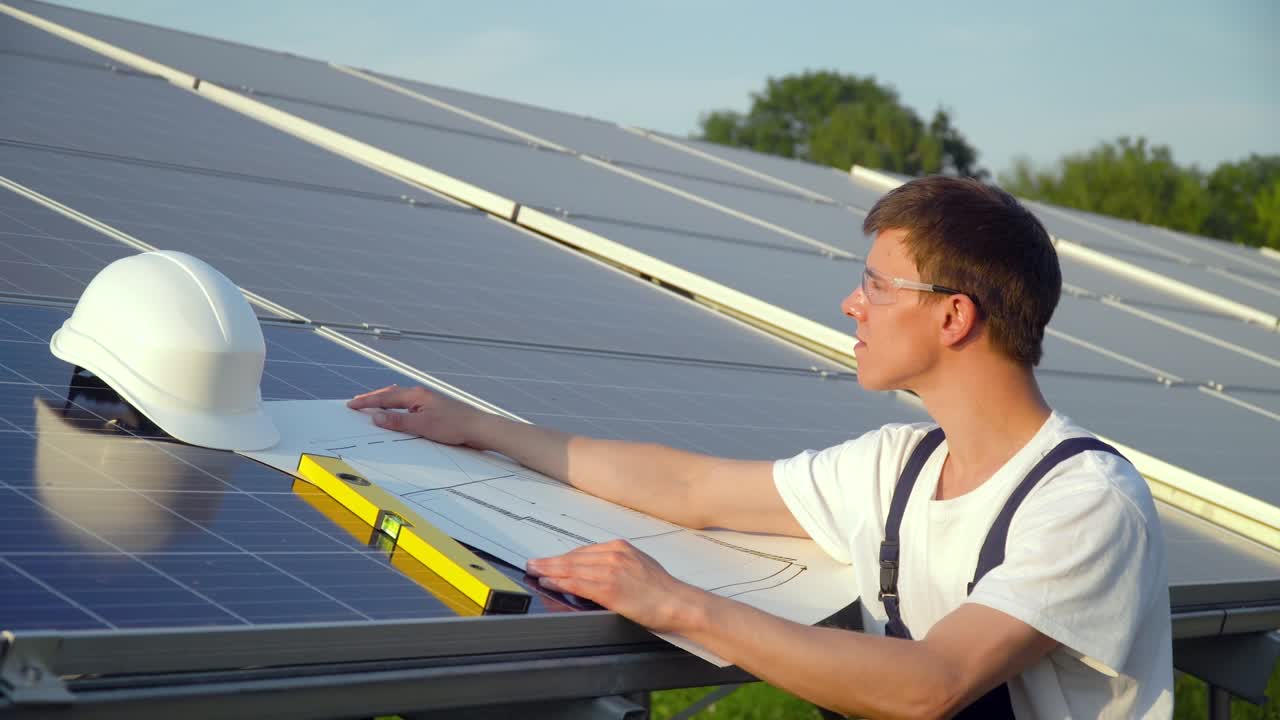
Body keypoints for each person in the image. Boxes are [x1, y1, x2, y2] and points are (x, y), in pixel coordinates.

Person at [349, 177, 1172, 718]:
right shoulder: (899, 466)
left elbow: (935, 685)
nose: (853, 304)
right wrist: (483, 429)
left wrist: (678, 603)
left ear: (954, 317)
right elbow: (694, 488)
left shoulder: (1084, 502)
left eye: (879, 286)